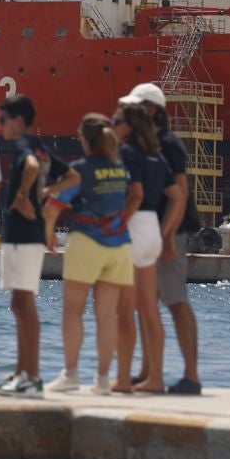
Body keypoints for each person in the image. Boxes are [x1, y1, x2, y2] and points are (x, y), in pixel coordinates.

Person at [42, 114, 139, 394]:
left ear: (84, 139)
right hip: (120, 245)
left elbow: (52, 208)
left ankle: (71, 375)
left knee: (73, 311)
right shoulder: (121, 169)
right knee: (107, 316)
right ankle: (103, 380)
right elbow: (133, 197)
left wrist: (49, 233)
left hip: (87, 242)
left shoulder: (79, 170)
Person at [116, 99, 180, 394]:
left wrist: (115, 224)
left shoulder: (128, 152)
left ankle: (123, 378)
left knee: (125, 309)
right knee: (149, 308)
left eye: (117, 122)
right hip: (153, 228)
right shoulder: (156, 156)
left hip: (132, 226)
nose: (113, 127)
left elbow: (135, 194)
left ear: (129, 126)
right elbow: (178, 196)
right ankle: (155, 378)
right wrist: (166, 232)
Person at [0, 95, 53, 396]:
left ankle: (31, 376)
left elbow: (29, 167)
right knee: (20, 304)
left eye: (2, 119)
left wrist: (21, 197)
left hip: (22, 234)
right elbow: (70, 176)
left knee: (23, 304)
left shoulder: (23, 148)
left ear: (18, 120)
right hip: (30, 233)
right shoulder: (42, 149)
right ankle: (23, 374)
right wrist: (42, 200)